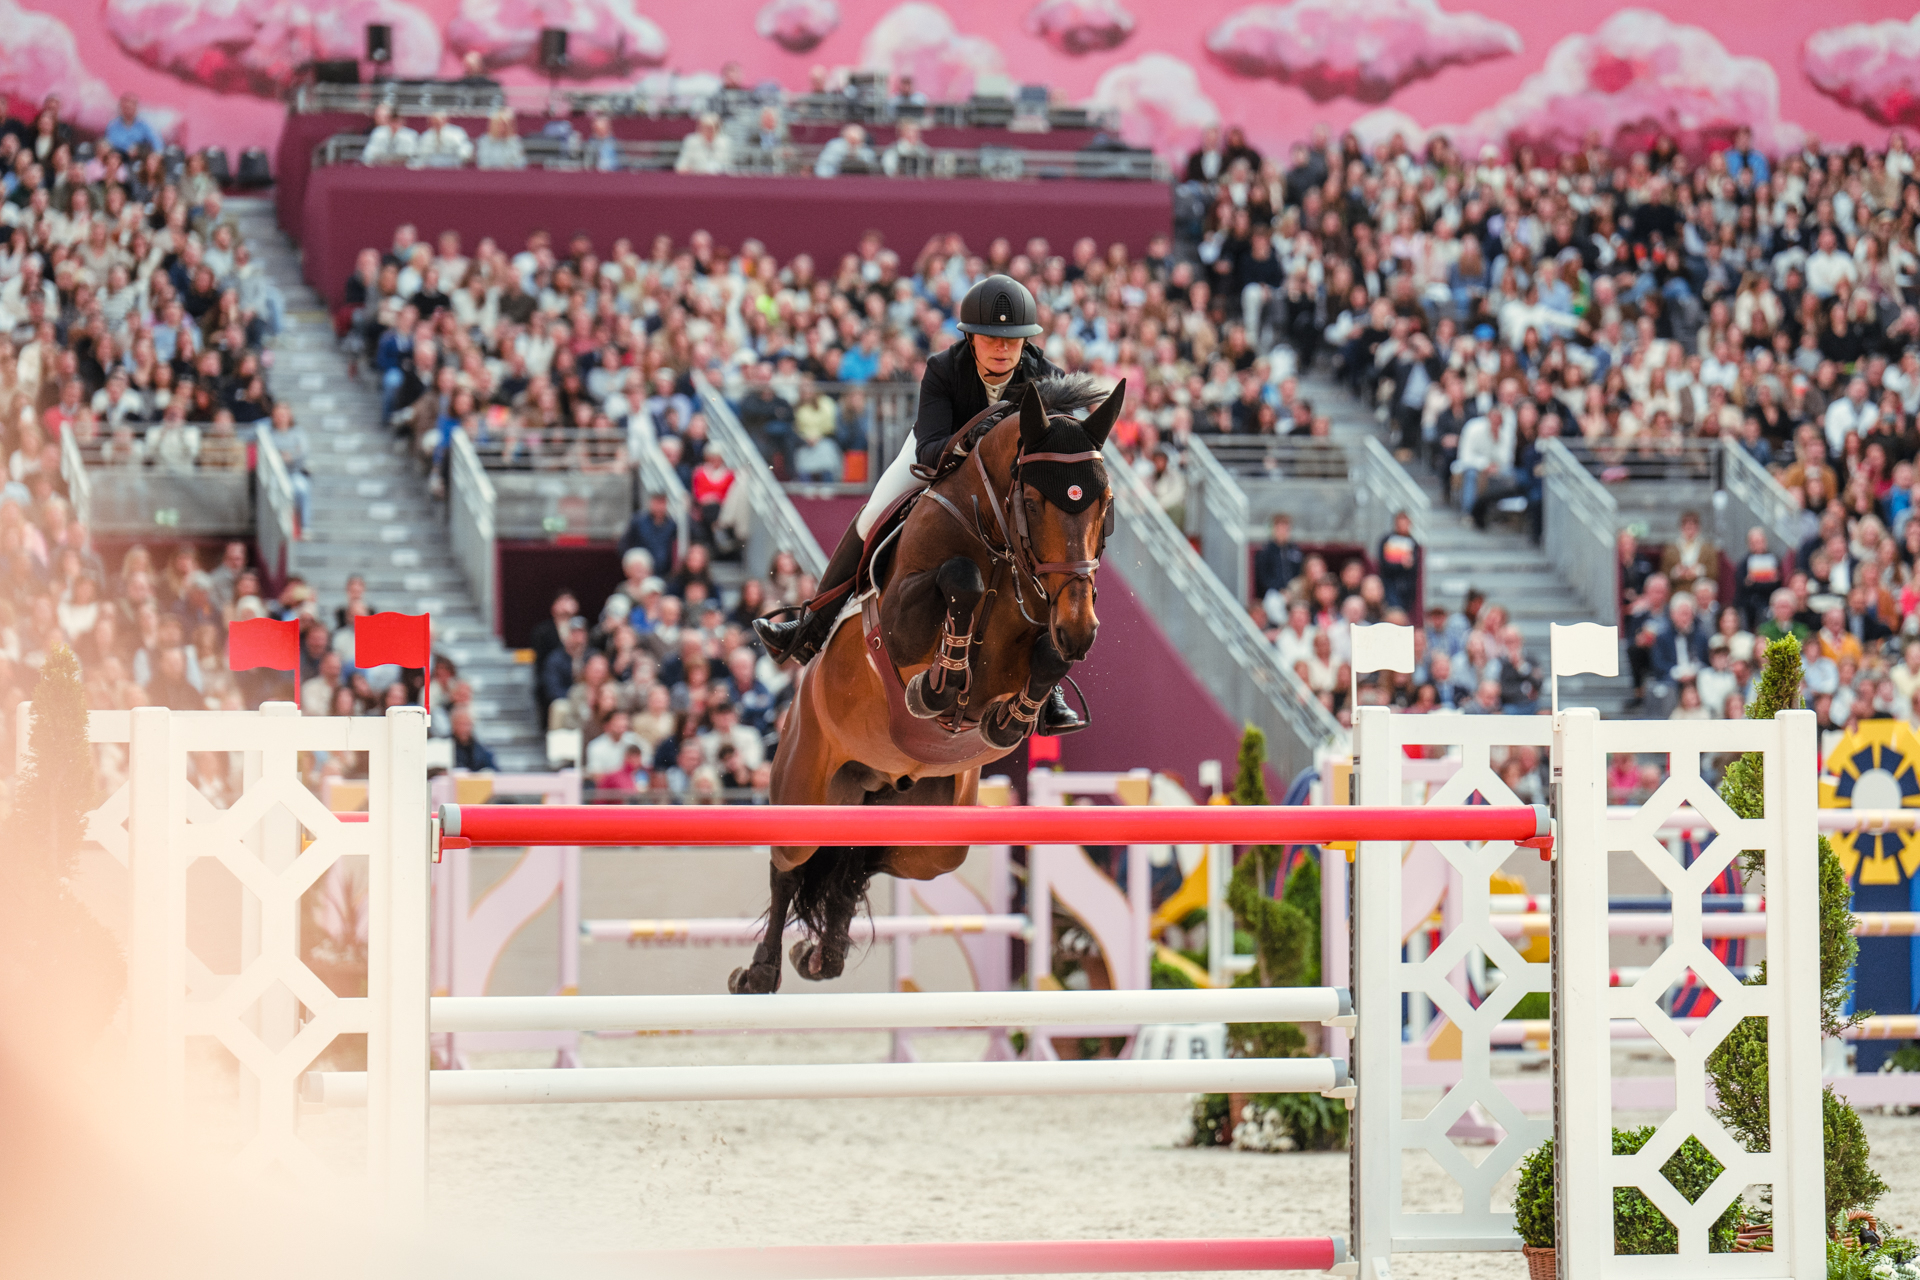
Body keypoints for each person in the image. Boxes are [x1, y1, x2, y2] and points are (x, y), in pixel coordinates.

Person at [753, 273, 1083, 733]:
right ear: (970, 338)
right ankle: (811, 624)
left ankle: (1050, 689)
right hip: (940, 459)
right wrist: (980, 442)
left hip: (1009, 483)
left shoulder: (1044, 376)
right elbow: (930, 447)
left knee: (1052, 546)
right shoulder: (944, 369)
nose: (1004, 349)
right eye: (992, 339)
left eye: (1014, 340)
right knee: (873, 514)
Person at [1253, 513, 1306, 606]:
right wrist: (1279, 590)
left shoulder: (1295, 551)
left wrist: (1291, 591)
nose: (1282, 532)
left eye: (1285, 528)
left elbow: (1300, 573)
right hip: (1274, 594)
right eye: (1279, 528)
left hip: (1294, 592)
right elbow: (1263, 578)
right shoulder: (1265, 552)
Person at [1377, 511, 1421, 613]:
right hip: (1389, 583)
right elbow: (1383, 563)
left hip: (1407, 586)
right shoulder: (1387, 540)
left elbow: (1415, 565)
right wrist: (1401, 565)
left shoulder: (1413, 542)